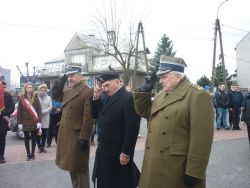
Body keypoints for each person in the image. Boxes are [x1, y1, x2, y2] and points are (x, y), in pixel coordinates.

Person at [133, 55, 214, 188]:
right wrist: (144, 91)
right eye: (160, 77)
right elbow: (145, 112)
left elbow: (202, 138)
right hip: (154, 164)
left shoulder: (197, 95)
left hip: (175, 168)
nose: (160, 81)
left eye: (164, 77)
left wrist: (195, 171)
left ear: (177, 76)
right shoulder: (161, 95)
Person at [90, 73, 141, 188]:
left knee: (120, 182)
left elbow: (132, 128)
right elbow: (94, 115)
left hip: (118, 150)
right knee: (104, 181)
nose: (105, 88)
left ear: (118, 82)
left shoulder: (128, 98)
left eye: (108, 85)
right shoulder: (103, 96)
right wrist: (96, 98)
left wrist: (126, 152)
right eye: (104, 86)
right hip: (103, 148)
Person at [54, 65, 94, 188]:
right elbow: (55, 97)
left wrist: (84, 137)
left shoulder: (88, 91)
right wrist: (59, 83)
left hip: (77, 136)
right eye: (68, 76)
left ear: (80, 76)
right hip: (67, 134)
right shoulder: (68, 90)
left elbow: (89, 118)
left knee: (80, 168)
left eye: (72, 75)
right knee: (71, 166)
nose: (70, 78)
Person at [17, 82, 42, 161]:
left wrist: (39, 122)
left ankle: (33, 153)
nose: (29, 89)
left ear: (32, 88)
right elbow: (19, 111)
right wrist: (19, 123)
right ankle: (28, 154)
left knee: (34, 138)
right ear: (25, 88)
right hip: (25, 121)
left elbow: (39, 110)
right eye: (27, 87)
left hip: (34, 121)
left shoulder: (36, 97)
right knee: (26, 139)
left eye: (30, 87)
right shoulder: (21, 98)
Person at [0, 80, 15, 163]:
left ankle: (1, 156)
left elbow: (12, 108)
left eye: (4, 87)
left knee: (2, 139)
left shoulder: (8, 96)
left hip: (3, 121)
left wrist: (1, 112)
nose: (2, 88)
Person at [37, 84, 52, 153]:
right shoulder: (36, 97)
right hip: (37, 117)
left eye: (44, 90)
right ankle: (39, 147)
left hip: (46, 117)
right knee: (38, 133)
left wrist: (44, 111)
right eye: (41, 90)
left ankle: (43, 147)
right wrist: (39, 112)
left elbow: (50, 107)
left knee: (44, 133)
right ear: (39, 90)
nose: (43, 91)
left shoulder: (49, 98)